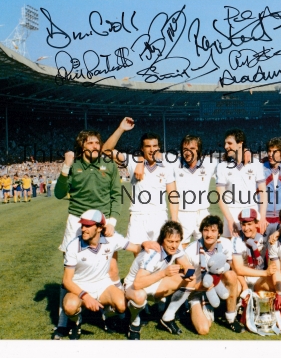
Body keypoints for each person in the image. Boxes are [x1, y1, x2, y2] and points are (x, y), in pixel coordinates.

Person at [52, 130, 122, 339]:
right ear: (82, 146)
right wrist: (65, 167)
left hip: (103, 222)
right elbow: (59, 193)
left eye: (97, 143)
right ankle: (65, 322)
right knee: (70, 271)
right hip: (77, 220)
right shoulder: (74, 166)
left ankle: (108, 315)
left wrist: (112, 222)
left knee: (111, 267)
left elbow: (116, 195)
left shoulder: (109, 165)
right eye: (89, 143)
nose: (94, 146)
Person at [61, 209, 159, 340]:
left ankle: (105, 316)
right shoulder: (73, 246)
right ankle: (76, 321)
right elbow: (66, 281)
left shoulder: (111, 239)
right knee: (70, 307)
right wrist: (85, 296)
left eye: (88, 226)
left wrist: (144, 244)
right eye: (83, 225)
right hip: (80, 286)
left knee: (122, 306)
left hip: (103, 285)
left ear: (100, 228)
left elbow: (135, 248)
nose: (83, 229)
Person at [102, 117, 176, 253]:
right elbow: (106, 151)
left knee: (161, 257)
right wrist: (121, 129)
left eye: (154, 146)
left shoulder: (167, 165)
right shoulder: (133, 161)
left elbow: (173, 195)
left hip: (159, 215)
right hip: (138, 215)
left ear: (159, 146)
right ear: (142, 148)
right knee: (139, 258)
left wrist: (175, 221)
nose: (151, 149)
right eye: (148, 146)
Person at [123, 221, 196, 339]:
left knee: (190, 280)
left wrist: (189, 273)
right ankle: (134, 323)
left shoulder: (177, 248)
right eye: (170, 241)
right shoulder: (153, 253)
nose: (174, 245)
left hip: (154, 282)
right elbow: (137, 284)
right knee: (140, 296)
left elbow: (188, 266)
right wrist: (164, 273)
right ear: (162, 240)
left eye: (177, 241)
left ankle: (167, 318)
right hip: (132, 286)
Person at [184, 215, 245, 334]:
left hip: (218, 285)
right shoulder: (190, 251)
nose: (209, 234)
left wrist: (244, 286)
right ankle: (190, 307)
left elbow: (231, 268)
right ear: (201, 231)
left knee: (231, 276)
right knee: (203, 329)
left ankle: (231, 318)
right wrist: (197, 287)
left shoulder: (226, 244)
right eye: (206, 230)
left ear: (219, 233)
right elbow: (186, 279)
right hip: (198, 289)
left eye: (213, 230)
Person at [216, 128, 268, 237]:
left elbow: (263, 192)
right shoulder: (222, 166)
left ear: (240, 143)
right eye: (225, 143)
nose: (226, 147)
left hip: (252, 209)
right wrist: (230, 220)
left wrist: (262, 217)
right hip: (231, 213)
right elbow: (220, 196)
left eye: (229, 143)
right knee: (232, 249)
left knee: (255, 247)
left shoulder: (256, 164)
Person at [231, 208, 277, 292]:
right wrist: (265, 273)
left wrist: (278, 232)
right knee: (233, 288)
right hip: (244, 276)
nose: (246, 228)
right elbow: (239, 269)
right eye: (243, 224)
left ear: (256, 223)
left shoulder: (264, 231)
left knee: (276, 284)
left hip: (260, 276)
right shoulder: (237, 239)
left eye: (249, 224)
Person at [261, 137, 281, 224]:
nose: (270, 154)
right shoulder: (259, 168)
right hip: (264, 216)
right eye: (269, 151)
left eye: (274, 152)